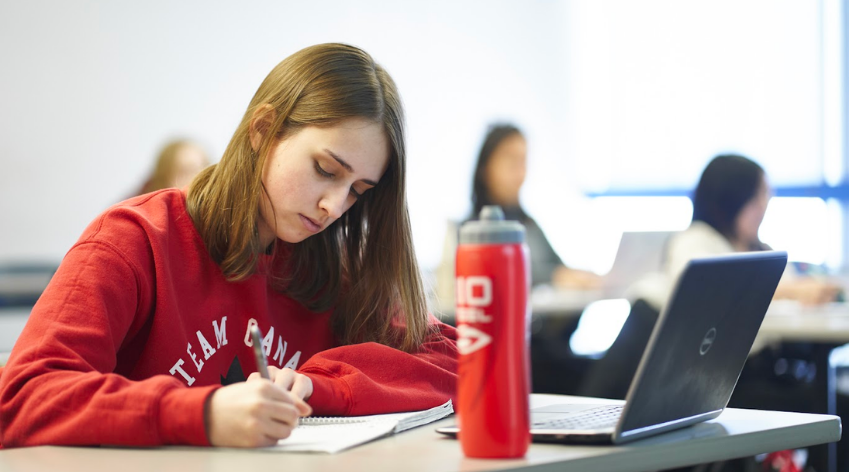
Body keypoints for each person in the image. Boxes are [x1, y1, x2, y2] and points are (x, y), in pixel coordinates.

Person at [0, 43, 457, 448]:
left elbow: (457, 360)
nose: (333, 206)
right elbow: (21, 396)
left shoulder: (333, 268)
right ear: (262, 130)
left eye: (358, 190)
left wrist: (324, 388)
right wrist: (202, 413)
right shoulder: (134, 240)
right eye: (324, 169)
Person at [435, 124, 599, 306]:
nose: (519, 173)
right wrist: (554, 277)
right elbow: (496, 277)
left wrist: (579, 278)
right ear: (485, 166)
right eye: (511, 161)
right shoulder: (467, 232)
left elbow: (558, 267)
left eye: (523, 162)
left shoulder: (529, 225)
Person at [664, 154, 840, 305]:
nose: (764, 206)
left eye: (766, 196)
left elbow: (790, 284)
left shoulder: (758, 249)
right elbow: (703, 287)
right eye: (756, 197)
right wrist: (792, 291)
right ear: (730, 200)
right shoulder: (696, 240)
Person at [137, 139, 210, 195]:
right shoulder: (136, 211)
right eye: (186, 172)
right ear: (164, 178)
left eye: (204, 171)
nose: (197, 179)